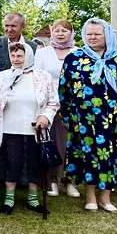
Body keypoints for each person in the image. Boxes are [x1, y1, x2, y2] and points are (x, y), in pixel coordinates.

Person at [58, 18, 117, 213]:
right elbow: (64, 90)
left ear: (108, 36)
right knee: (89, 157)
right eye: (89, 34)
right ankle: (90, 197)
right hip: (84, 122)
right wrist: (68, 117)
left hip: (116, 121)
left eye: (97, 34)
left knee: (110, 158)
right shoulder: (74, 58)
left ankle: (106, 197)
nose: (92, 37)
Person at [0, 43, 59, 214]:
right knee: (11, 164)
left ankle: (33, 199)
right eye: (13, 56)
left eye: (20, 56)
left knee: (34, 164)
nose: (16, 59)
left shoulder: (43, 77)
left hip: (35, 130)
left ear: (29, 56)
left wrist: (45, 117)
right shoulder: (2, 77)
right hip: (9, 129)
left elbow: (53, 102)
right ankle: (9, 199)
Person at [34, 20, 80, 198]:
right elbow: (37, 78)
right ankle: (51, 180)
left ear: (71, 33)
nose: (60, 34)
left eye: (65, 31)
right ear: (52, 33)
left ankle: (69, 181)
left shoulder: (78, 53)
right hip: (50, 105)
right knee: (51, 141)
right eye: (57, 30)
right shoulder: (43, 53)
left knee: (71, 142)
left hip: (73, 105)